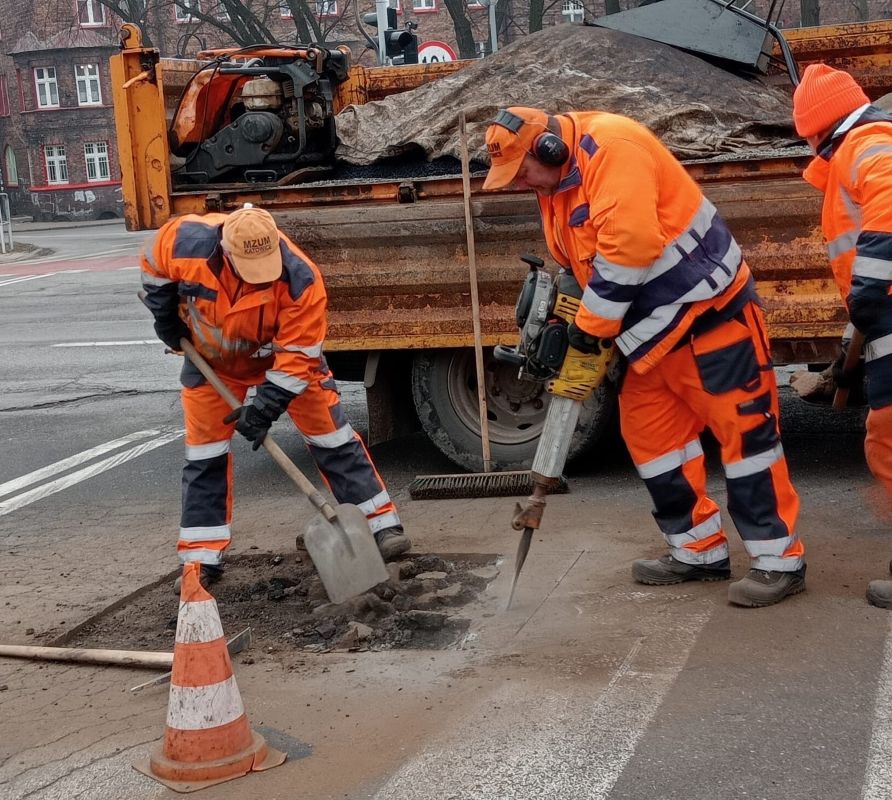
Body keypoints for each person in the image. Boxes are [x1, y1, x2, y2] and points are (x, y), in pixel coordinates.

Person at [483, 107, 806, 607]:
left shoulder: (613, 148)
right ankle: (697, 550)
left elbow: (630, 247)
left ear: (548, 148)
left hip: (710, 316)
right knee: (654, 443)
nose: (520, 184)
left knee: (747, 441)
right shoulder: (557, 184)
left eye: (522, 172)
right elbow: (578, 260)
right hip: (650, 336)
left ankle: (777, 561)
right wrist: (570, 313)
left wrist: (589, 331)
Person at [141, 204, 409, 587]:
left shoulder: (301, 279)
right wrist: (165, 316)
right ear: (226, 252)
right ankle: (201, 557)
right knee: (204, 456)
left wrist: (263, 409)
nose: (260, 279)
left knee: (332, 439)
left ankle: (382, 524)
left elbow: (298, 357)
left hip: (282, 362)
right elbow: (154, 267)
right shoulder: (184, 241)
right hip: (212, 363)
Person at [792, 65, 892, 608]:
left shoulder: (866, 144)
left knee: (888, 441)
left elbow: (889, 200)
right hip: (883, 321)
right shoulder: (860, 148)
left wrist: (870, 290)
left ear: (817, 128)